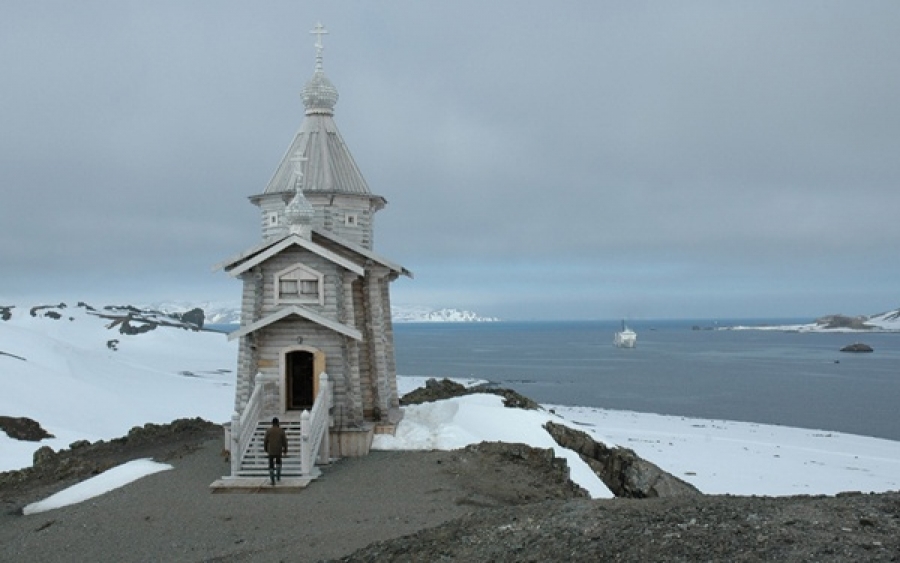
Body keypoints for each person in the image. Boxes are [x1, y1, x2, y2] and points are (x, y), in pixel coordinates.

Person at [263, 417, 288, 485]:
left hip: (270, 450)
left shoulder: (268, 431)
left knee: (271, 464)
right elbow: (284, 441)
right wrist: (285, 449)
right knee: (278, 462)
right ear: (278, 423)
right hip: (278, 450)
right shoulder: (281, 431)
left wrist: (265, 449)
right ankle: (278, 476)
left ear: (272, 423)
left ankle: (272, 480)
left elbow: (265, 441)